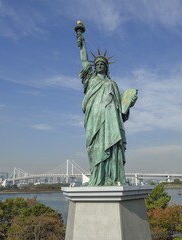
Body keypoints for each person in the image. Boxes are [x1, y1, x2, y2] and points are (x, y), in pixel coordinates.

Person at [76, 22, 137, 186]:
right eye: (97, 64)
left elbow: (120, 109)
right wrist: (82, 43)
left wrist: (127, 103)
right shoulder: (90, 79)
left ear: (107, 67)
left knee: (112, 144)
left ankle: (112, 176)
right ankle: (97, 176)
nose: (100, 65)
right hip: (94, 116)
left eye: (102, 64)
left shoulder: (113, 84)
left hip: (110, 119)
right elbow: (83, 61)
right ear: (94, 67)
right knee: (95, 146)